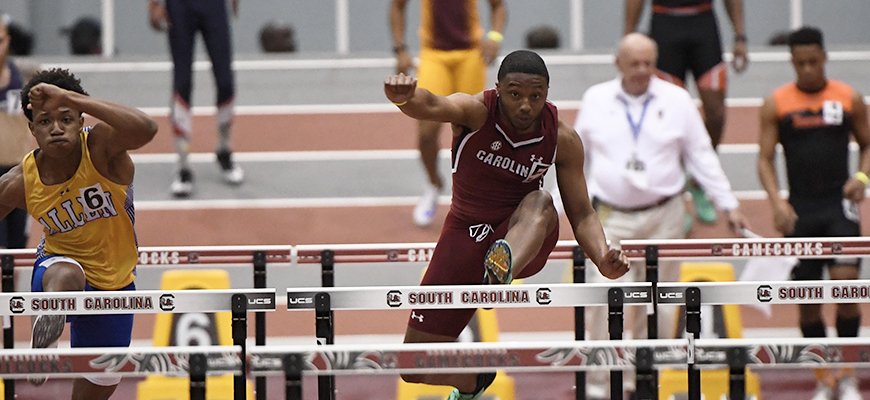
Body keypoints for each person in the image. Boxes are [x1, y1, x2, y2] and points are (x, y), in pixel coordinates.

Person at [384, 50, 630, 400]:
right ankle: (474, 381)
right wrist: (405, 99)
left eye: (536, 95)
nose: (526, 105)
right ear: (498, 89)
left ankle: (502, 268)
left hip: (525, 234)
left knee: (541, 200)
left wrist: (602, 256)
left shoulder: (562, 138)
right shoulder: (476, 112)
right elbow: (433, 104)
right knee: (413, 366)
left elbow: (583, 213)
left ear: (547, 93)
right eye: (515, 94)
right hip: (465, 235)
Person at [576, 33, 747, 398]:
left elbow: (701, 155)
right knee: (605, 299)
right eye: (634, 63)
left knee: (660, 301)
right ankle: (599, 386)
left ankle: (643, 382)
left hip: (665, 215)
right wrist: (562, 210)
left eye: (648, 63)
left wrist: (728, 204)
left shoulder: (678, 99)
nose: (641, 70)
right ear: (617, 63)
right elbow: (577, 161)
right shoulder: (595, 99)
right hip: (609, 218)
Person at [0, 68, 157, 398]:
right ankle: (48, 327)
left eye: (66, 118)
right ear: (32, 129)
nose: (56, 129)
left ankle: (56, 318)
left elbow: (147, 128)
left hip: (115, 285)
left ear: (80, 117)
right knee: (68, 273)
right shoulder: (21, 181)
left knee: (95, 392)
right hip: (56, 268)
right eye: (44, 122)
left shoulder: (101, 148)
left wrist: (69, 96)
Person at [757, 27, 868, 400]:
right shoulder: (777, 102)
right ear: (792, 61)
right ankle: (825, 377)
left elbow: (868, 145)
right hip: (800, 209)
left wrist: (862, 177)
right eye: (800, 63)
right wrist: (777, 202)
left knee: (845, 286)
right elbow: (764, 159)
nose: (807, 69)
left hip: (839, 206)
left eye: (813, 62)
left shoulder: (848, 97)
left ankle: (847, 374)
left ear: (824, 58)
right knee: (807, 302)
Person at [624, 0, 749, 226]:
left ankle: (700, 182)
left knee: (716, 112)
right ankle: (676, 193)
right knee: (667, 118)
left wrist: (740, 35)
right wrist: (628, 37)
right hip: (665, 24)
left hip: (703, 25)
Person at [389, 0, 506, 227]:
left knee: (478, 131)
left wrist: (495, 37)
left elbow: (498, 5)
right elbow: (397, 6)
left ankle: (479, 196)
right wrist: (400, 49)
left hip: (470, 55)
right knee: (426, 132)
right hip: (434, 55)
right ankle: (433, 183)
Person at [148, 0, 244, 197]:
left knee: (225, 80)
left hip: (214, 5)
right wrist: (154, 4)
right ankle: (183, 166)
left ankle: (224, 149)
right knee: (182, 82)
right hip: (180, 6)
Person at [0, 16, 37, 250]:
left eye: (0, 40)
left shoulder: (28, 77)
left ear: (8, 41)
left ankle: (12, 289)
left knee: (16, 248)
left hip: (20, 171)